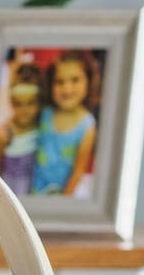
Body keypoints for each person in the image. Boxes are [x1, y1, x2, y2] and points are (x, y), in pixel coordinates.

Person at [32, 49, 99, 196]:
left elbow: (78, 172)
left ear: (88, 81)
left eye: (75, 80)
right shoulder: (45, 113)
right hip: (34, 190)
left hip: (62, 194)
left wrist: (63, 201)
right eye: (59, 81)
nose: (67, 88)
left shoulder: (87, 125)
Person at [0, 61, 42, 197]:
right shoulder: (5, 132)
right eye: (18, 103)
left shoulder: (42, 126)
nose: (24, 110)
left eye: (30, 102)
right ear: (11, 101)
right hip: (11, 195)